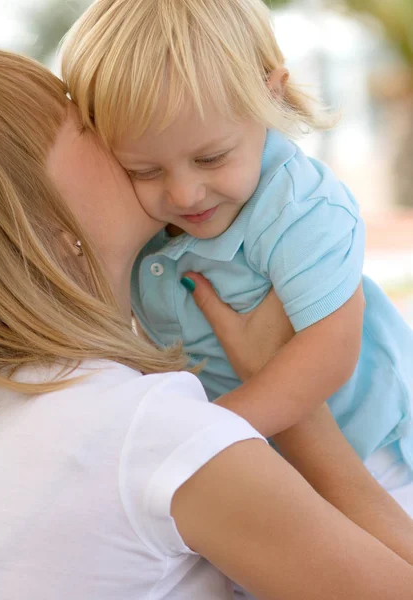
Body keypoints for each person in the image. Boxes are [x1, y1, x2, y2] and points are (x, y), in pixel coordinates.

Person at [0, 48, 413, 600]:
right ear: (44, 220)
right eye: (81, 122)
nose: (116, 125)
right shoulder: (137, 429)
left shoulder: (32, 407)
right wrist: (246, 421)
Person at [62, 0, 413, 498]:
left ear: (270, 94)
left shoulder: (299, 206)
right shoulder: (144, 214)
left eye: (211, 157)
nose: (183, 194)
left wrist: (211, 433)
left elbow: (330, 349)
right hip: (253, 454)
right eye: (145, 170)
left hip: (369, 450)